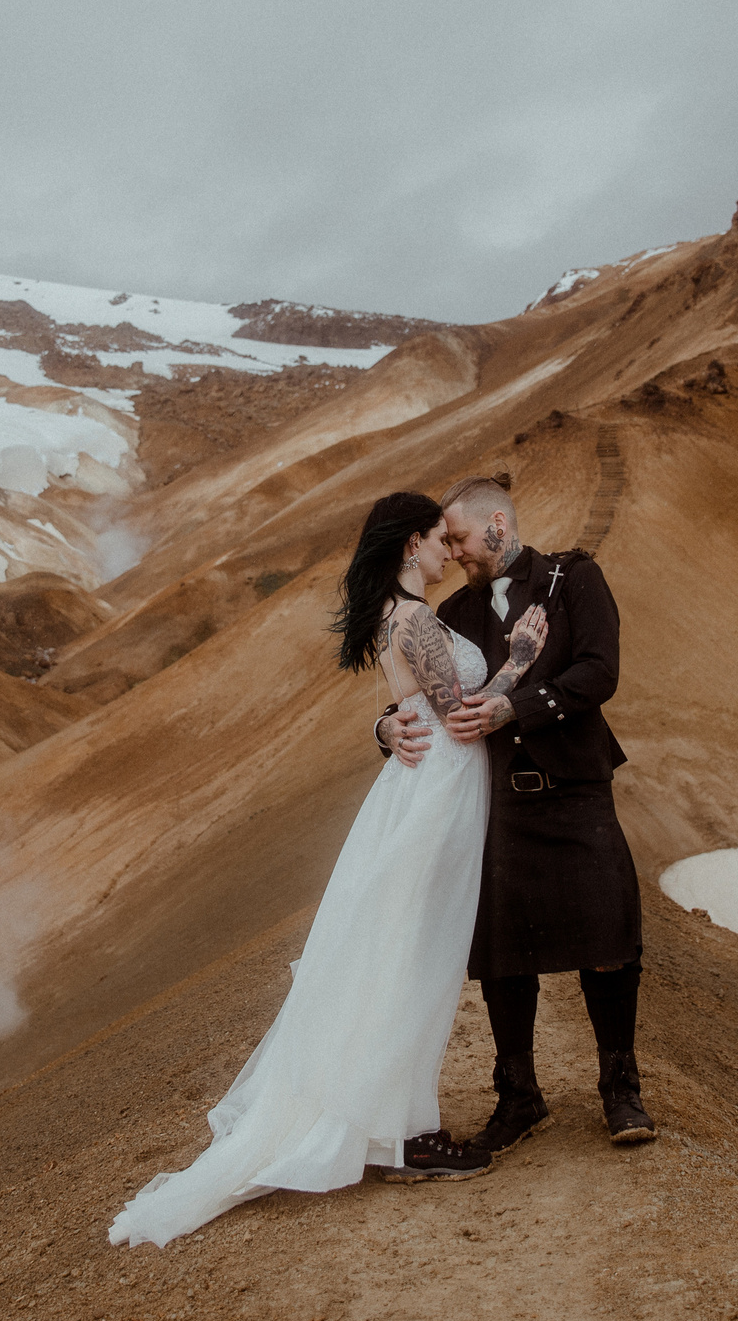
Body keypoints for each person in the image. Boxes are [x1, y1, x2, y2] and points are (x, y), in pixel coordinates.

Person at [108, 491, 550, 1249]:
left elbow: (410, 707)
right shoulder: (413, 618)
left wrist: (387, 723)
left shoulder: (392, 614)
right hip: (439, 792)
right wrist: (517, 663)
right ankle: (408, 1133)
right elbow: (460, 713)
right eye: (438, 539)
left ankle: (400, 1122)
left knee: (403, 954)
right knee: (419, 958)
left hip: (423, 787)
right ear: (412, 544)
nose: (448, 550)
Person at [374, 475, 652, 1151]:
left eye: (462, 537)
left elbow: (600, 670)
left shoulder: (574, 580)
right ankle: (518, 1094)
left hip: (575, 787)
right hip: (496, 803)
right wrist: (384, 729)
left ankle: (621, 1087)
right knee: (502, 954)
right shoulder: (459, 614)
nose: (457, 552)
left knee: (608, 937)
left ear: (497, 522)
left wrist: (516, 706)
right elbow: (424, 692)